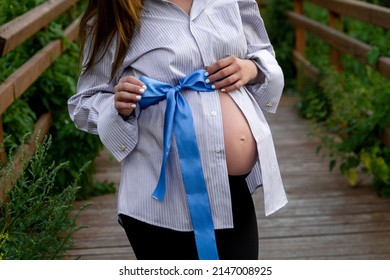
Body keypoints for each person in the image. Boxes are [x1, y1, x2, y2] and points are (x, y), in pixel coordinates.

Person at [68, 0, 287, 260]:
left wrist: (251, 68)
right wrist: (118, 106)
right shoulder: (116, 11)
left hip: (231, 191)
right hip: (162, 199)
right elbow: (85, 100)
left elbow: (262, 53)